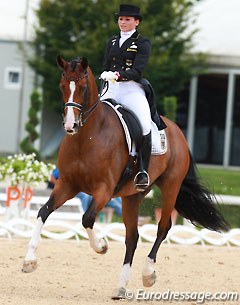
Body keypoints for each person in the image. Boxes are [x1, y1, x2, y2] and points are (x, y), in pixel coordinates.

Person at [100, 4, 163, 192]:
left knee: (144, 125)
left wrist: (119, 75)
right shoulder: (112, 42)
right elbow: (105, 65)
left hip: (131, 89)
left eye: (127, 19)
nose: (123, 22)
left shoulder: (143, 43)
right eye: (121, 19)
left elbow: (137, 70)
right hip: (111, 88)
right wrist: (105, 75)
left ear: (136, 22)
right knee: (89, 115)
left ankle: (142, 170)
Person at [48, 168, 122, 217]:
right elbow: (52, 177)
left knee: (114, 197)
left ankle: (124, 215)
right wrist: (60, 186)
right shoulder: (67, 167)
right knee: (85, 196)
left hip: (83, 190)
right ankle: (83, 216)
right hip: (72, 190)